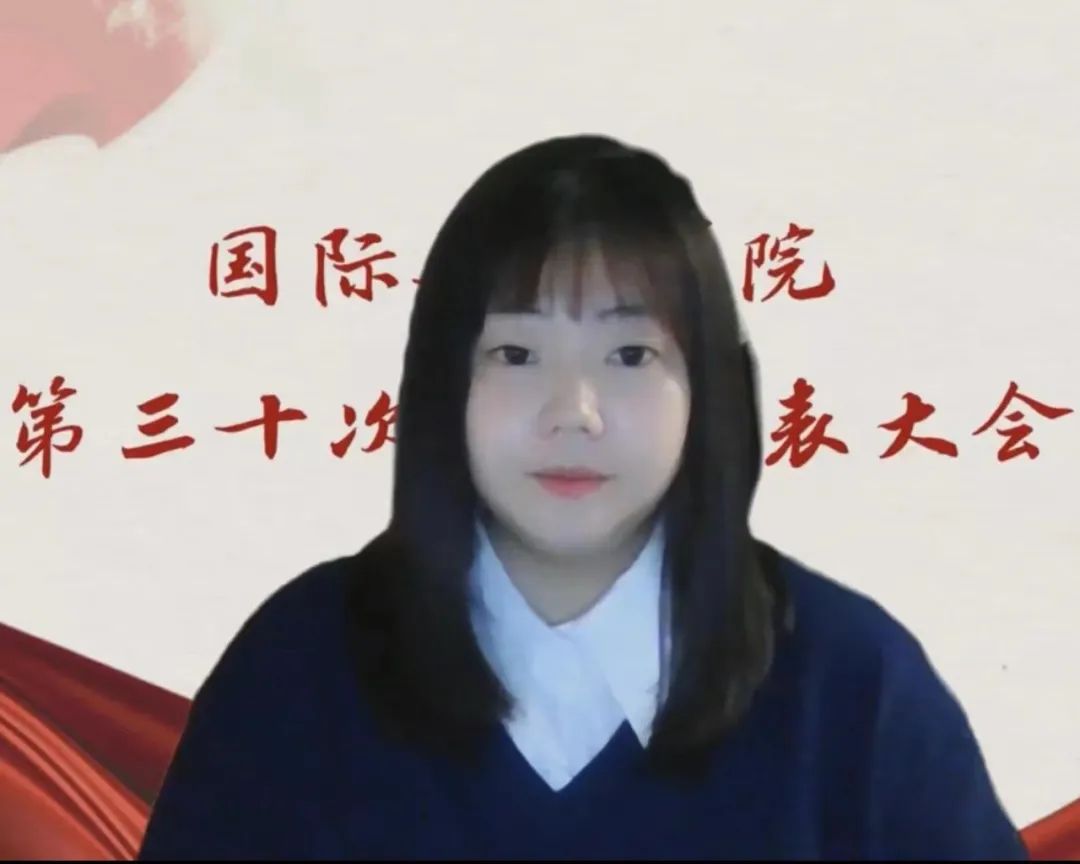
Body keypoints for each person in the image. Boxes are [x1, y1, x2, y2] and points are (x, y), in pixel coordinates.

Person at [138, 134, 1029, 860]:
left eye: (631, 356)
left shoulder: (854, 689)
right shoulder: (297, 670)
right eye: (516, 355)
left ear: (707, 389)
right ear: (445, 382)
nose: (574, 412)